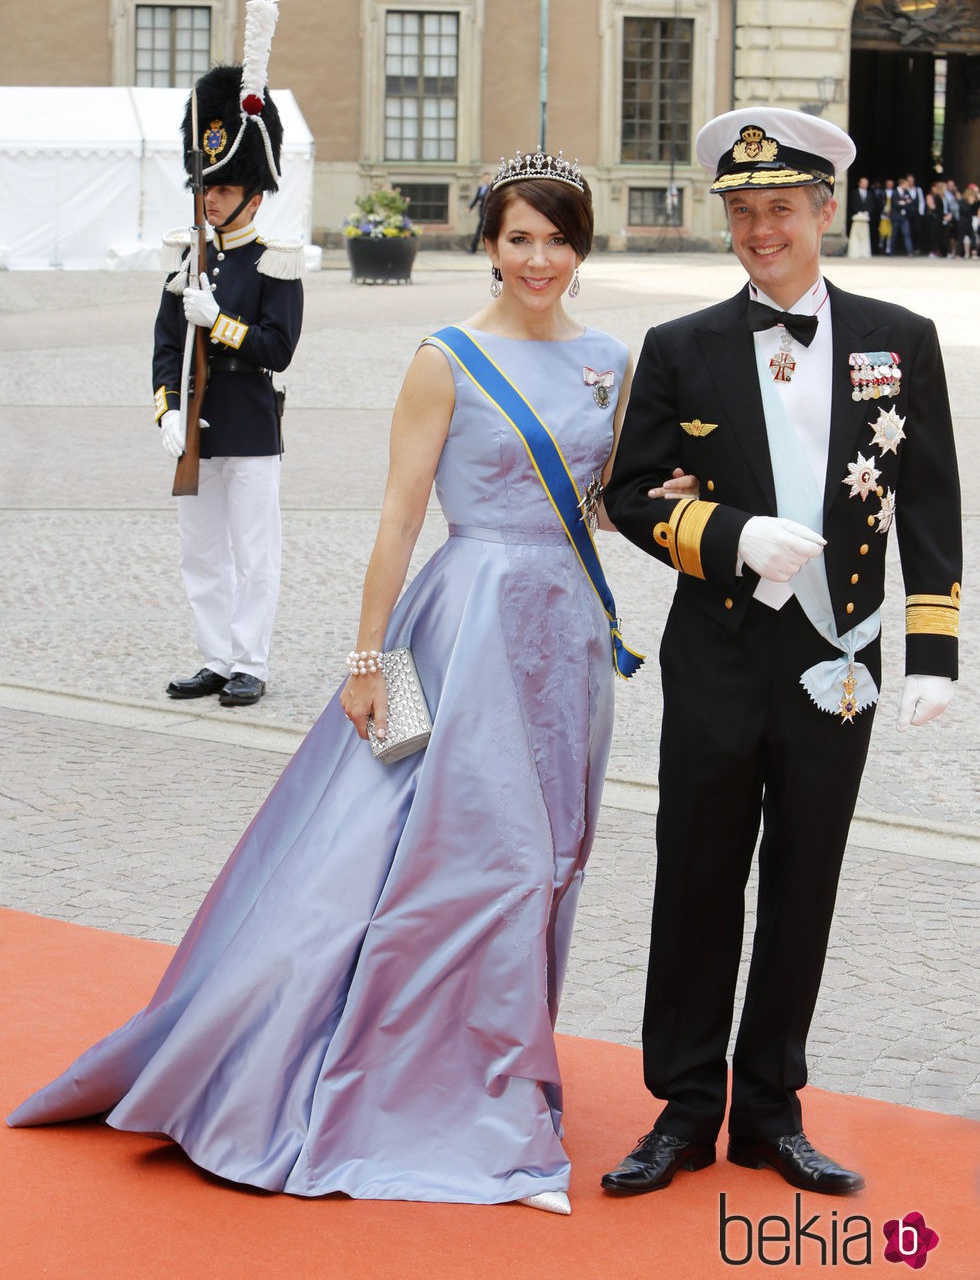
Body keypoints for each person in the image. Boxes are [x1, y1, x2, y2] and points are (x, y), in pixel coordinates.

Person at [7, 147, 690, 1212]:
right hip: (452, 633)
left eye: (557, 238)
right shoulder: (444, 356)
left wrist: (660, 498)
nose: (539, 257)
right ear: (488, 244)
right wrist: (366, 664)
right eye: (519, 237)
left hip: (564, 643)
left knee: (549, 853)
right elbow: (399, 517)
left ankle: (494, 1058)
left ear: (580, 246)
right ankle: (420, 1080)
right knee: (434, 849)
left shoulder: (612, 357)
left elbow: (590, 504)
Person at [601, 107, 961, 1200]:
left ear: (823, 211)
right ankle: (681, 1109)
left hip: (835, 658)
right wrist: (726, 537)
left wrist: (934, 649)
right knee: (697, 877)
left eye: (780, 210)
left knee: (803, 881)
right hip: (714, 649)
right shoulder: (678, 346)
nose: (761, 230)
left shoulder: (900, 337)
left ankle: (767, 1111)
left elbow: (929, 494)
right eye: (743, 211)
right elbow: (623, 492)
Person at [157, 2, 304, 708]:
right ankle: (214, 656)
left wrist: (220, 323)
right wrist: (165, 408)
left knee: (254, 552)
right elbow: (163, 347)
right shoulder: (184, 260)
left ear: (252, 192)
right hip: (194, 428)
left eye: (222, 188)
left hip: (249, 423)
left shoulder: (277, 264)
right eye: (205, 188)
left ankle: (251, 661)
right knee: (201, 554)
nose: (210, 199)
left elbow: (279, 349)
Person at [468, 170, 492, 251]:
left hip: (487, 213)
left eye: (487, 178)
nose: (486, 179)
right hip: (481, 213)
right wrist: (470, 207)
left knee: (486, 231)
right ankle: (473, 248)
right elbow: (476, 199)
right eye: (485, 178)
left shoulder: (490, 189)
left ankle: (488, 249)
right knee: (479, 231)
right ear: (482, 178)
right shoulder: (480, 188)